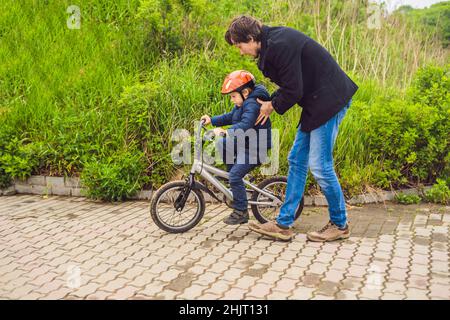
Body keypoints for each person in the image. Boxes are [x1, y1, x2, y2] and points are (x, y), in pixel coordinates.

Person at [225, 16, 358, 241]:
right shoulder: (271, 43)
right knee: (296, 159)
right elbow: (292, 84)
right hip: (315, 102)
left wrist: (272, 105)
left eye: (240, 46)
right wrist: (272, 101)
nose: (240, 52)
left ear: (250, 38)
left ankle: (340, 224)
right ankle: (283, 224)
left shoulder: (279, 45)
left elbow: (294, 90)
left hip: (329, 100)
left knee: (320, 166)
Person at [201, 70, 272, 225]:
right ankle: (232, 181)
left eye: (233, 96)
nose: (232, 100)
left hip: (255, 149)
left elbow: (245, 125)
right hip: (245, 145)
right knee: (222, 144)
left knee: (234, 175)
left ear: (245, 92)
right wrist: (211, 120)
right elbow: (230, 117)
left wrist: (226, 131)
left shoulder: (252, 105)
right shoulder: (243, 104)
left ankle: (241, 211)